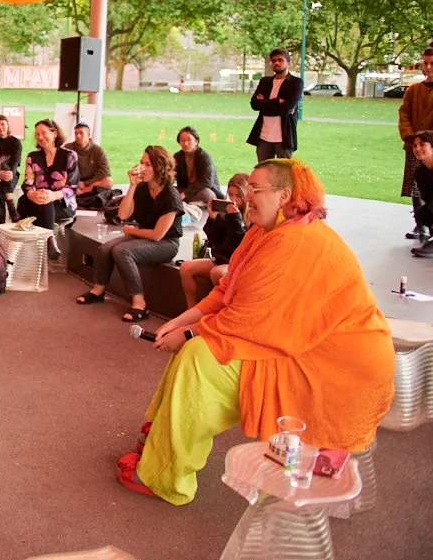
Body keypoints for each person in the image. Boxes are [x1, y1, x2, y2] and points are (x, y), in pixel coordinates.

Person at [117, 159, 394, 505]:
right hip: (303, 344)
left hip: (332, 361)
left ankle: (163, 474)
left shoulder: (295, 241)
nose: (247, 197)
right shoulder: (267, 232)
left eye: (256, 189)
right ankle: (164, 438)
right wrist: (181, 321)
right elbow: (229, 289)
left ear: (284, 196)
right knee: (197, 352)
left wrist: (188, 335)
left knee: (201, 358)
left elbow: (249, 320)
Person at [76, 145, 184, 322]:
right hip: (143, 235)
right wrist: (132, 186)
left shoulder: (170, 195)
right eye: (142, 162)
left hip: (166, 243)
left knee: (121, 250)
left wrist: (134, 231)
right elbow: (123, 215)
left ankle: (139, 303)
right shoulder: (142, 188)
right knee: (106, 248)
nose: (141, 167)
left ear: (160, 167)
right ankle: (98, 290)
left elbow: (158, 235)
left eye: (148, 164)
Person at [178, 173, 249, 307]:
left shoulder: (251, 217)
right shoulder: (227, 213)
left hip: (239, 263)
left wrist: (236, 220)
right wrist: (213, 219)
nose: (234, 200)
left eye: (238, 196)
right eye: (231, 195)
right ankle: (191, 308)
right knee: (186, 267)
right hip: (223, 258)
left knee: (217, 272)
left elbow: (240, 245)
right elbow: (216, 241)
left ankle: (220, 311)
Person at [17, 119, 79, 260]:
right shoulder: (33, 157)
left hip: (62, 203)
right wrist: (32, 193)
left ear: (54, 133)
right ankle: (49, 239)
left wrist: (52, 195)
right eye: (37, 134)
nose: (40, 137)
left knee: (45, 203)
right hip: (37, 200)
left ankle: (42, 241)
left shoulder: (69, 156)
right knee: (26, 200)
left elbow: (72, 188)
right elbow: (28, 182)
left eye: (43, 133)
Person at [400, 46, 433, 242]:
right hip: (415, 146)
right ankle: (422, 226)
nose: (428, 67)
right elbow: (404, 114)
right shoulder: (414, 90)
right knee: (416, 187)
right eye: (425, 63)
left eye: (432, 63)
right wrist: (411, 138)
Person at [246, 48, 303, 162]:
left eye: (280, 60)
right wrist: (277, 102)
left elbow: (286, 109)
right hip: (263, 137)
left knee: (283, 174)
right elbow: (254, 104)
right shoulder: (265, 82)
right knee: (263, 172)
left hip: (284, 137)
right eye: (273, 60)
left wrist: (264, 103)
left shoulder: (295, 83)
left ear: (288, 63)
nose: (276, 63)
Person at [64, 122, 114, 207]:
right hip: (75, 181)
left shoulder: (97, 150)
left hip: (92, 182)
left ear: (88, 134)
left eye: (81, 133)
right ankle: (78, 192)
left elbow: (104, 171)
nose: (78, 136)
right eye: (76, 133)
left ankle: (81, 193)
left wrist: (86, 183)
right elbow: (62, 168)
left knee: (108, 181)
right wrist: (75, 182)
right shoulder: (68, 148)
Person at [174, 126, 221, 209]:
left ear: (196, 141)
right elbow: (171, 175)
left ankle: (189, 205)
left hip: (200, 191)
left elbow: (206, 182)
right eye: (182, 140)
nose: (185, 143)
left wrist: (186, 193)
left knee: (208, 194)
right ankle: (192, 205)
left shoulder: (204, 157)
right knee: (169, 190)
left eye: (189, 140)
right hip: (185, 190)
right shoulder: (177, 157)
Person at [0, 115, 22, 223]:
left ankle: (1, 220)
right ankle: (11, 207)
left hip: (12, 174)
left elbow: (16, 162)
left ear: (7, 125)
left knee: (4, 173)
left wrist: (9, 173)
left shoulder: (15, 142)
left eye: (3, 124)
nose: (0, 127)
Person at [411, 130, 433, 258]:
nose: (418, 148)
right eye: (415, 145)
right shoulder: (420, 173)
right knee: (422, 213)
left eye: (422, 144)